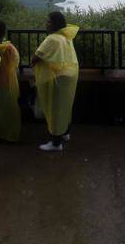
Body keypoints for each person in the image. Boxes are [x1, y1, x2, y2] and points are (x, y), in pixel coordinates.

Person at [31, 10, 79, 152]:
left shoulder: (52, 39)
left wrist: (32, 63)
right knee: (65, 106)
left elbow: (36, 57)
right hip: (69, 75)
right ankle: (65, 133)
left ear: (54, 24)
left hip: (57, 78)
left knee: (55, 110)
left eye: (49, 21)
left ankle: (56, 143)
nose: (46, 23)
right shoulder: (66, 36)